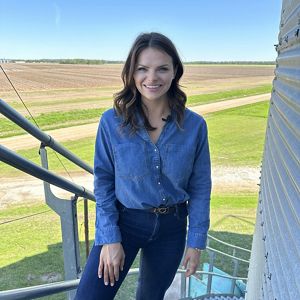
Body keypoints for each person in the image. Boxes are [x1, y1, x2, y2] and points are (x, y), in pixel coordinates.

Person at [75, 32, 211, 300]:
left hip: (172, 228)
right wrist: (109, 237)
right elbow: (103, 182)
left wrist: (195, 242)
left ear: (175, 72)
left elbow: (200, 187)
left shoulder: (195, 126)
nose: (152, 78)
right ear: (132, 73)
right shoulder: (111, 122)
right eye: (143, 69)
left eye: (162, 68)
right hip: (125, 223)